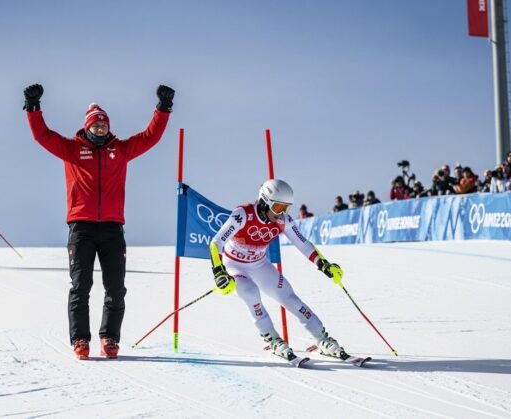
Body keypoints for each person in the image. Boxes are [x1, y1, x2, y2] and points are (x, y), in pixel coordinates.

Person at [23, 83, 175, 360]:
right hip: (80, 227)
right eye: (96, 125)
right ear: (88, 127)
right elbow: (43, 136)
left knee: (116, 287)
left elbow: (150, 137)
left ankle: (110, 339)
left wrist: (163, 108)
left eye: (104, 125)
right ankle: (80, 340)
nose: (101, 129)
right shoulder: (71, 150)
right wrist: (33, 107)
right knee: (81, 287)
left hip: (112, 229)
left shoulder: (121, 150)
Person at [208, 179, 350, 363]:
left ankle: (323, 339)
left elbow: (303, 244)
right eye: (278, 207)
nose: (282, 213)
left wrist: (323, 264)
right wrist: (219, 273)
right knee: (251, 293)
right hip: (235, 266)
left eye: (287, 208)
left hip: (259, 264)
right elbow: (216, 242)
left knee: (289, 297)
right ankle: (273, 339)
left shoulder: (283, 220)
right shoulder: (242, 214)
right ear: (264, 202)